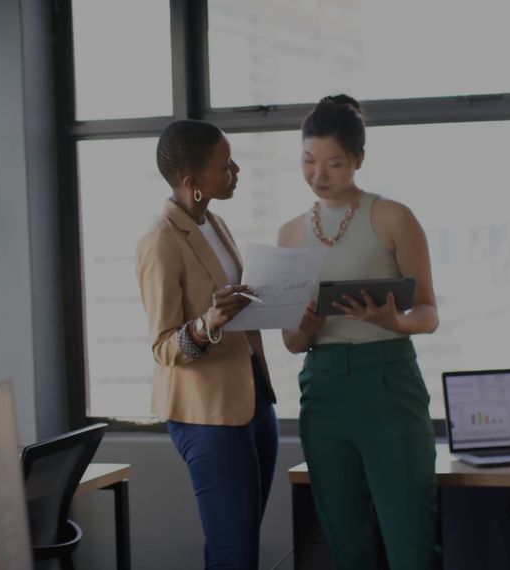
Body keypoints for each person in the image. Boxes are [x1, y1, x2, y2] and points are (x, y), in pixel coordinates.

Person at [278, 95, 441, 569]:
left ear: (358, 161)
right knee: (347, 547)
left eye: (333, 163)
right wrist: (305, 329)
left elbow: (428, 311)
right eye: (308, 161)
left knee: (411, 544)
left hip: (389, 383)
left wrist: (395, 322)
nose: (318, 174)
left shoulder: (392, 216)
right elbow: (290, 343)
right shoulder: (288, 233)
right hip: (322, 388)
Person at [136, 119, 279, 569]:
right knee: (235, 555)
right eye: (226, 165)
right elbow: (162, 346)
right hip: (208, 416)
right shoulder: (159, 242)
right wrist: (210, 321)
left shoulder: (214, 223)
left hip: (253, 400)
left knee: (235, 548)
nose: (236, 170)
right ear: (192, 182)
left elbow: (231, 305)